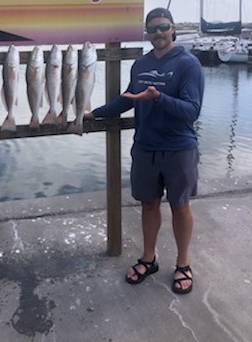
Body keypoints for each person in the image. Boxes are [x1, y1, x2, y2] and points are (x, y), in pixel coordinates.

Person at [84, 7, 204, 294]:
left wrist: (159, 97)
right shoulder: (140, 64)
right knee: (148, 204)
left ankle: (183, 263)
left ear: (173, 28)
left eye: (164, 27)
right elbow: (128, 99)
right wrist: (95, 113)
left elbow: (192, 112)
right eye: (152, 29)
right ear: (147, 33)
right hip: (146, 147)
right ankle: (148, 259)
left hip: (179, 148)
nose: (158, 33)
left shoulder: (189, 64)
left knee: (180, 206)